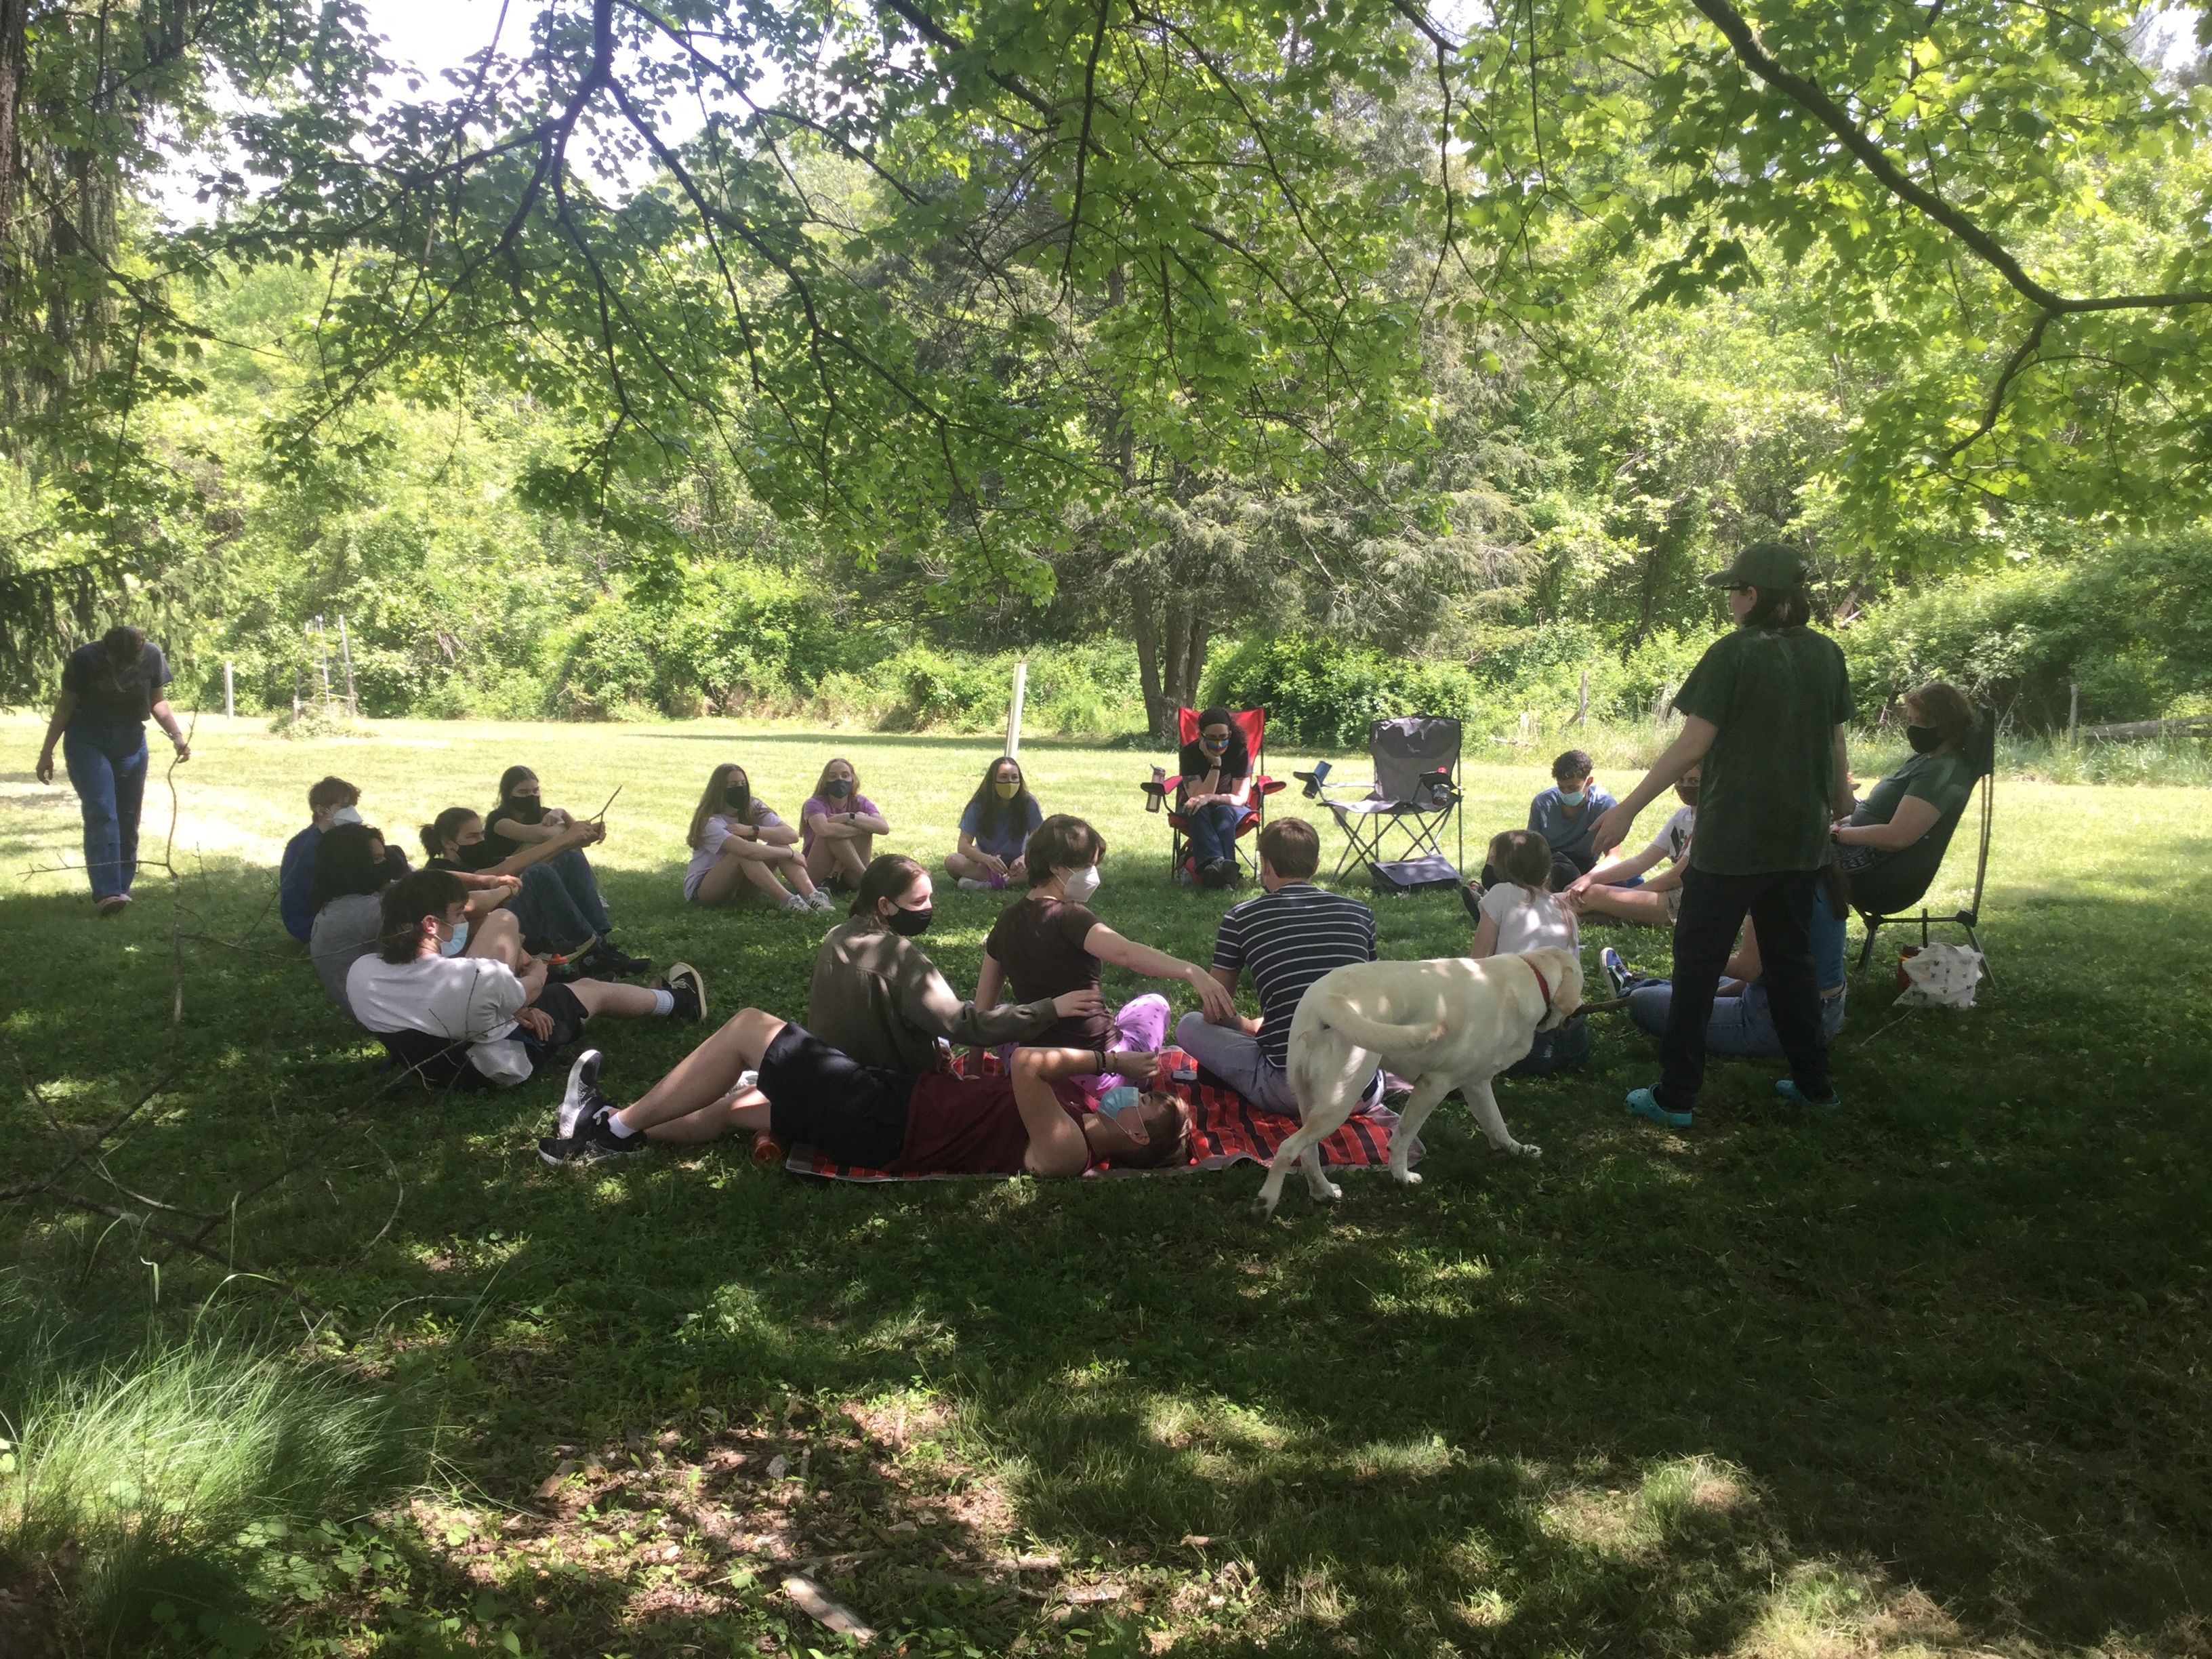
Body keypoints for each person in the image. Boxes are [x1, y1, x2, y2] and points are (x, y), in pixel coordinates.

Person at [1587, 541, 1854, 1127]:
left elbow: (1691, 745)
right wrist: (1842, 802)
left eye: (1734, 590)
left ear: (1753, 596)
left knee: (1698, 961)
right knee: (1792, 963)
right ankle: (1815, 1085)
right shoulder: (1828, 655)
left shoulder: (1732, 654)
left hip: (1733, 840)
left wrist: (1629, 807)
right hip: (1801, 841)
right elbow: (1835, 742)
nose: (1730, 601)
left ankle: (1676, 1096)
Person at [538, 1011, 1193, 1176]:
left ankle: (612, 1128)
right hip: (891, 1103)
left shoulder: (1070, 1151)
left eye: (1146, 1104)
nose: (1133, 1096)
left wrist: (1113, 1059)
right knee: (735, 1111)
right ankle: (607, 1133)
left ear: (1136, 1133)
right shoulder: (1078, 1122)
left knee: (748, 1029)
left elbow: (1027, 1067)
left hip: (883, 1119)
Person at [348, 869, 703, 1088]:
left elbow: (446, 1005)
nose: (461, 924)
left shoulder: (362, 972)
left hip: (433, 1071)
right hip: (492, 1068)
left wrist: (505, 1006)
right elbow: (530, 988)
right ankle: (676, 1003)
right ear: (430, 924)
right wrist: (533, 977)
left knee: (517, 990)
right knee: (585, 991)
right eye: (457, 916)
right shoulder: (474, 976)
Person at [977, 814, 1238, 1088]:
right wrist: (1191, 971)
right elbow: (1125, 953)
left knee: (1006, 1013)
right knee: (1154, 1004)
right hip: (1100, 1072)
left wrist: (974, 1068)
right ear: (1055, 866)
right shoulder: (1070, 917)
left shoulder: (1006, 920)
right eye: (1087, 865)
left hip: (1037, 1068)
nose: (1093, 874)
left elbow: (983, 1012)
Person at [806, 855, 1092, 1073]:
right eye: (919, 901)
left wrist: (931, 1046)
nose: (928, 908)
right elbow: (963, 1024)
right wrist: (1049, 1009)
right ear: (884, 906)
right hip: (888, 1089)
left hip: (834, 1073)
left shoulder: (837, 936)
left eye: (930, 898)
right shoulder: (897, 955)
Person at [1173, 818, 1378, 1118]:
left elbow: (1214, 1012)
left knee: (1189, 1025)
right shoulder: (1360, 913)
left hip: (1292, 1093)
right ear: (1316, 864)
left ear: (1265, 865)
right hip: (1361, 1090)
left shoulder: (1241, 918)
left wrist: (1247, 1026)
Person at [1603, 862, 1851, 1054]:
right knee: (1701, 984)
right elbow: (1767, 971)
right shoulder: (1823, 877)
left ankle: (1631, 991)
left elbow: (1748, 969)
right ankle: (1637, 985)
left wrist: (1697, 954)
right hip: (1823, 1012)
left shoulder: (1774, 885)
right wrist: (1712, 991)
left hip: (1774, 1023)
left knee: (1642, 1002)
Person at [33, 625, 190, 916]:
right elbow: (65, 707)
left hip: (131, 739)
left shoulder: (153, 657)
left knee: (129, 814)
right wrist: (46, 753)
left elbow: (157, 701)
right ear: (106, 651)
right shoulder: (84, 659)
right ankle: (107, 892)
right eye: (118, 662)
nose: (124, 668)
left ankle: (121, 888)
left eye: (131, 662)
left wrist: (177, 736)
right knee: (102, 810)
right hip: (87, 739)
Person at [419, 806, 648, 972]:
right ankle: (590, 950)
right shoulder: (439, 872)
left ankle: (601, 947)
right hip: (499, 933)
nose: (480, 841)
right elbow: (496, 873)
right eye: (472, 836)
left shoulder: (481, 856)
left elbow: (528, 859)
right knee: (538, 873)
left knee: (569, 860)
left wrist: (575, 841)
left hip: (515, 920)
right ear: (448, 843)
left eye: (481, 834)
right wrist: (565, 839)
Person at [1830, 681, 1980, 887]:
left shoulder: (1942, 772)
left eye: (1920, 723)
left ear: (1942, 726)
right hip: (1856, 842)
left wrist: (1838, 835)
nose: (1913, 729)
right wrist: (1844, 821)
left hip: (1870, 862)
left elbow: (1898, 837)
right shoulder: (1926, 759)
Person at [1471, 828, 1589, 1077]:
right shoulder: (1563, 907)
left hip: (1523, 1046)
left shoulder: (1501, 894)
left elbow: (1477, 965)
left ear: (1501, 867)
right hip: (1574, 1041)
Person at [683, 762, 834, 913]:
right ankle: (790, 901)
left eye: (743, 783)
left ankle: (814, 896)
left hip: (742, 883)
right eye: (734, 784)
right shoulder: (709, 822)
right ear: (720, 790)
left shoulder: (752, 806)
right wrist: (791, 853)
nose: (740, 788)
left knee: (778, 842)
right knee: (741, 854)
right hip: (705, 889)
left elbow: (791, 835)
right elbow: (745, 850)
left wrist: (753, 830)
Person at [1558, 766, 1699, 928]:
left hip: (1692, 903)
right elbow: (1640, 862)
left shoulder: (1711, 823)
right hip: (1675, 897)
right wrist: (1589, 879)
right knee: (1596, 899)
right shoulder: (1682, 817)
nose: (1686, 786)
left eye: (1694, 781)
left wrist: (1629, 895)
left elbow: (1676, 878)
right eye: (1680, 780)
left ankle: (1537, 906)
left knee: (1595, 895)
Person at [307, 820, 413, 1017]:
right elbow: (438, 915)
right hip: (391, 1015)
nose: (385, 864)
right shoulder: (360, 911)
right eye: (377, 858)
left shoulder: (341, 902)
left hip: (382, 1007)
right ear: (354, 866)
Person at [1517, 749, 1618, 893]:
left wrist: (1588, 879)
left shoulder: (1604, 806)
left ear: (1589, 781)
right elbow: (1532, 849)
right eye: (1561, 788)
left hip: (1585, 866)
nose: (1566, 793)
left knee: (1620, 882)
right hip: (1548, 862)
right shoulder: (1543, 803)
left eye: (1573, 788)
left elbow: (1614, 857)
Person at [281, 777, 368, 942]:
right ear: (321, 810)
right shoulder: (305, 847)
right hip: (309, 924)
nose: (350, 812)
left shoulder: (336, 838)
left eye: (352, 807)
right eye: (343, 807)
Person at [1177, 707, 1254, 888]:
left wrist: (1211, 798)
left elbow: (1240, 798)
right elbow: (1196, 798)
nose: (1218, 743)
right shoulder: (1189, 754)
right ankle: (1224, 870)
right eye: (1212, 737)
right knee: (1198, 809)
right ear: (1201, 735)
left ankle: (1212, 868)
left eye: (1223, 737)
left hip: (1230, 807)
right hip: (1197, 808)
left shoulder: (1239, 752)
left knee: (1224, 812)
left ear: (1230, 733)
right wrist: (1215, 766)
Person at [949, 755, 1043, 892]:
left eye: (1014, 777)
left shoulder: (1028, 803)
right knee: (952, 861)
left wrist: (1024, 859)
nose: (1009, 782)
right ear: (993, 780)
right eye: (1003, 777)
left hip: (1019, 866)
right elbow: (963, 845)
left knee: (1046, 866)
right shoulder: (978, 805)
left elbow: (1040, 840)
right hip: (985, 865)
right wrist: (987, 859)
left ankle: (991, 884)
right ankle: (1006, 881)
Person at [800, 757, 890, 893]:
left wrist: (849, 817)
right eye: (833, 776)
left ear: (853, 779)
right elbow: (824, 830)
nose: (840, 780)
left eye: (845, 775)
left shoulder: (860, 801)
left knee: (861, 817)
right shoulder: (814, 803)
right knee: (833, 832)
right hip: (816, 874)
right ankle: (867, 879)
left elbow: (883, 828)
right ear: (825, 781)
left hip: (850, 875)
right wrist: (861, 828)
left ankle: (838, 878)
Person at [481, 765, 593, 860]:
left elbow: (582, 840)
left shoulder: (543, 813)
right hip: (506, 869)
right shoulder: (498, 820)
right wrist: (570, 831)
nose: (531, 796)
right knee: (552, 844)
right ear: (508, 794)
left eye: (535, 791)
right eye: (523, 792)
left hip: (535, 866)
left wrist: (562, 812)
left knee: (567, 845)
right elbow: (542, 836)